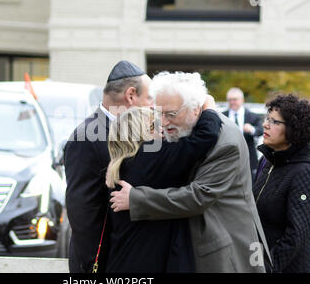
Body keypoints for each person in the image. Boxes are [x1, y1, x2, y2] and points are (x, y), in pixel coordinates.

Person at [110, 72, 270, 273]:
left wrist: (137, 199)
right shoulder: (183, 129)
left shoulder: (225, 141)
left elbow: (199, 196)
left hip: (219, 249)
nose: (163, 122)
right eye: (159, 113)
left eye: (171, 114)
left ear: (195, 110)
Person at [105, 78, 222, 272]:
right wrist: (208, 106)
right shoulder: (150, 157)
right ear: (139, 135)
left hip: (120, 262)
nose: (162, 128)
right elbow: (204, 137)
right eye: (153, 126)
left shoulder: (118, 167)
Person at [64, 60, 153, 273]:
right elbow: (82, 213)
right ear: (131, 95)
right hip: (99, 264)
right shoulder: (86, 137)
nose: (152, 104)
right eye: (149, 97)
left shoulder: (136, 129)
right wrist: (95, 266)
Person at [253, 94, 310, 273]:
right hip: (261, 260)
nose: (265, 124)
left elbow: (296, 235)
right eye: (267, 119)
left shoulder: (306, 171)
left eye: (274, 122)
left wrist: (266, 268)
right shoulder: (271, 160)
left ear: (294, 128)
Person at [223, 87, 263, 177]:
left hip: (248, 157)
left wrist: (252, 129)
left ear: (242, 100)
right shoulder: (222, 115)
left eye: (235, 99)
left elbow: (261, 131)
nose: (232, 102)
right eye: (229, 100)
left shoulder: (253, 116)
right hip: (227, 157)